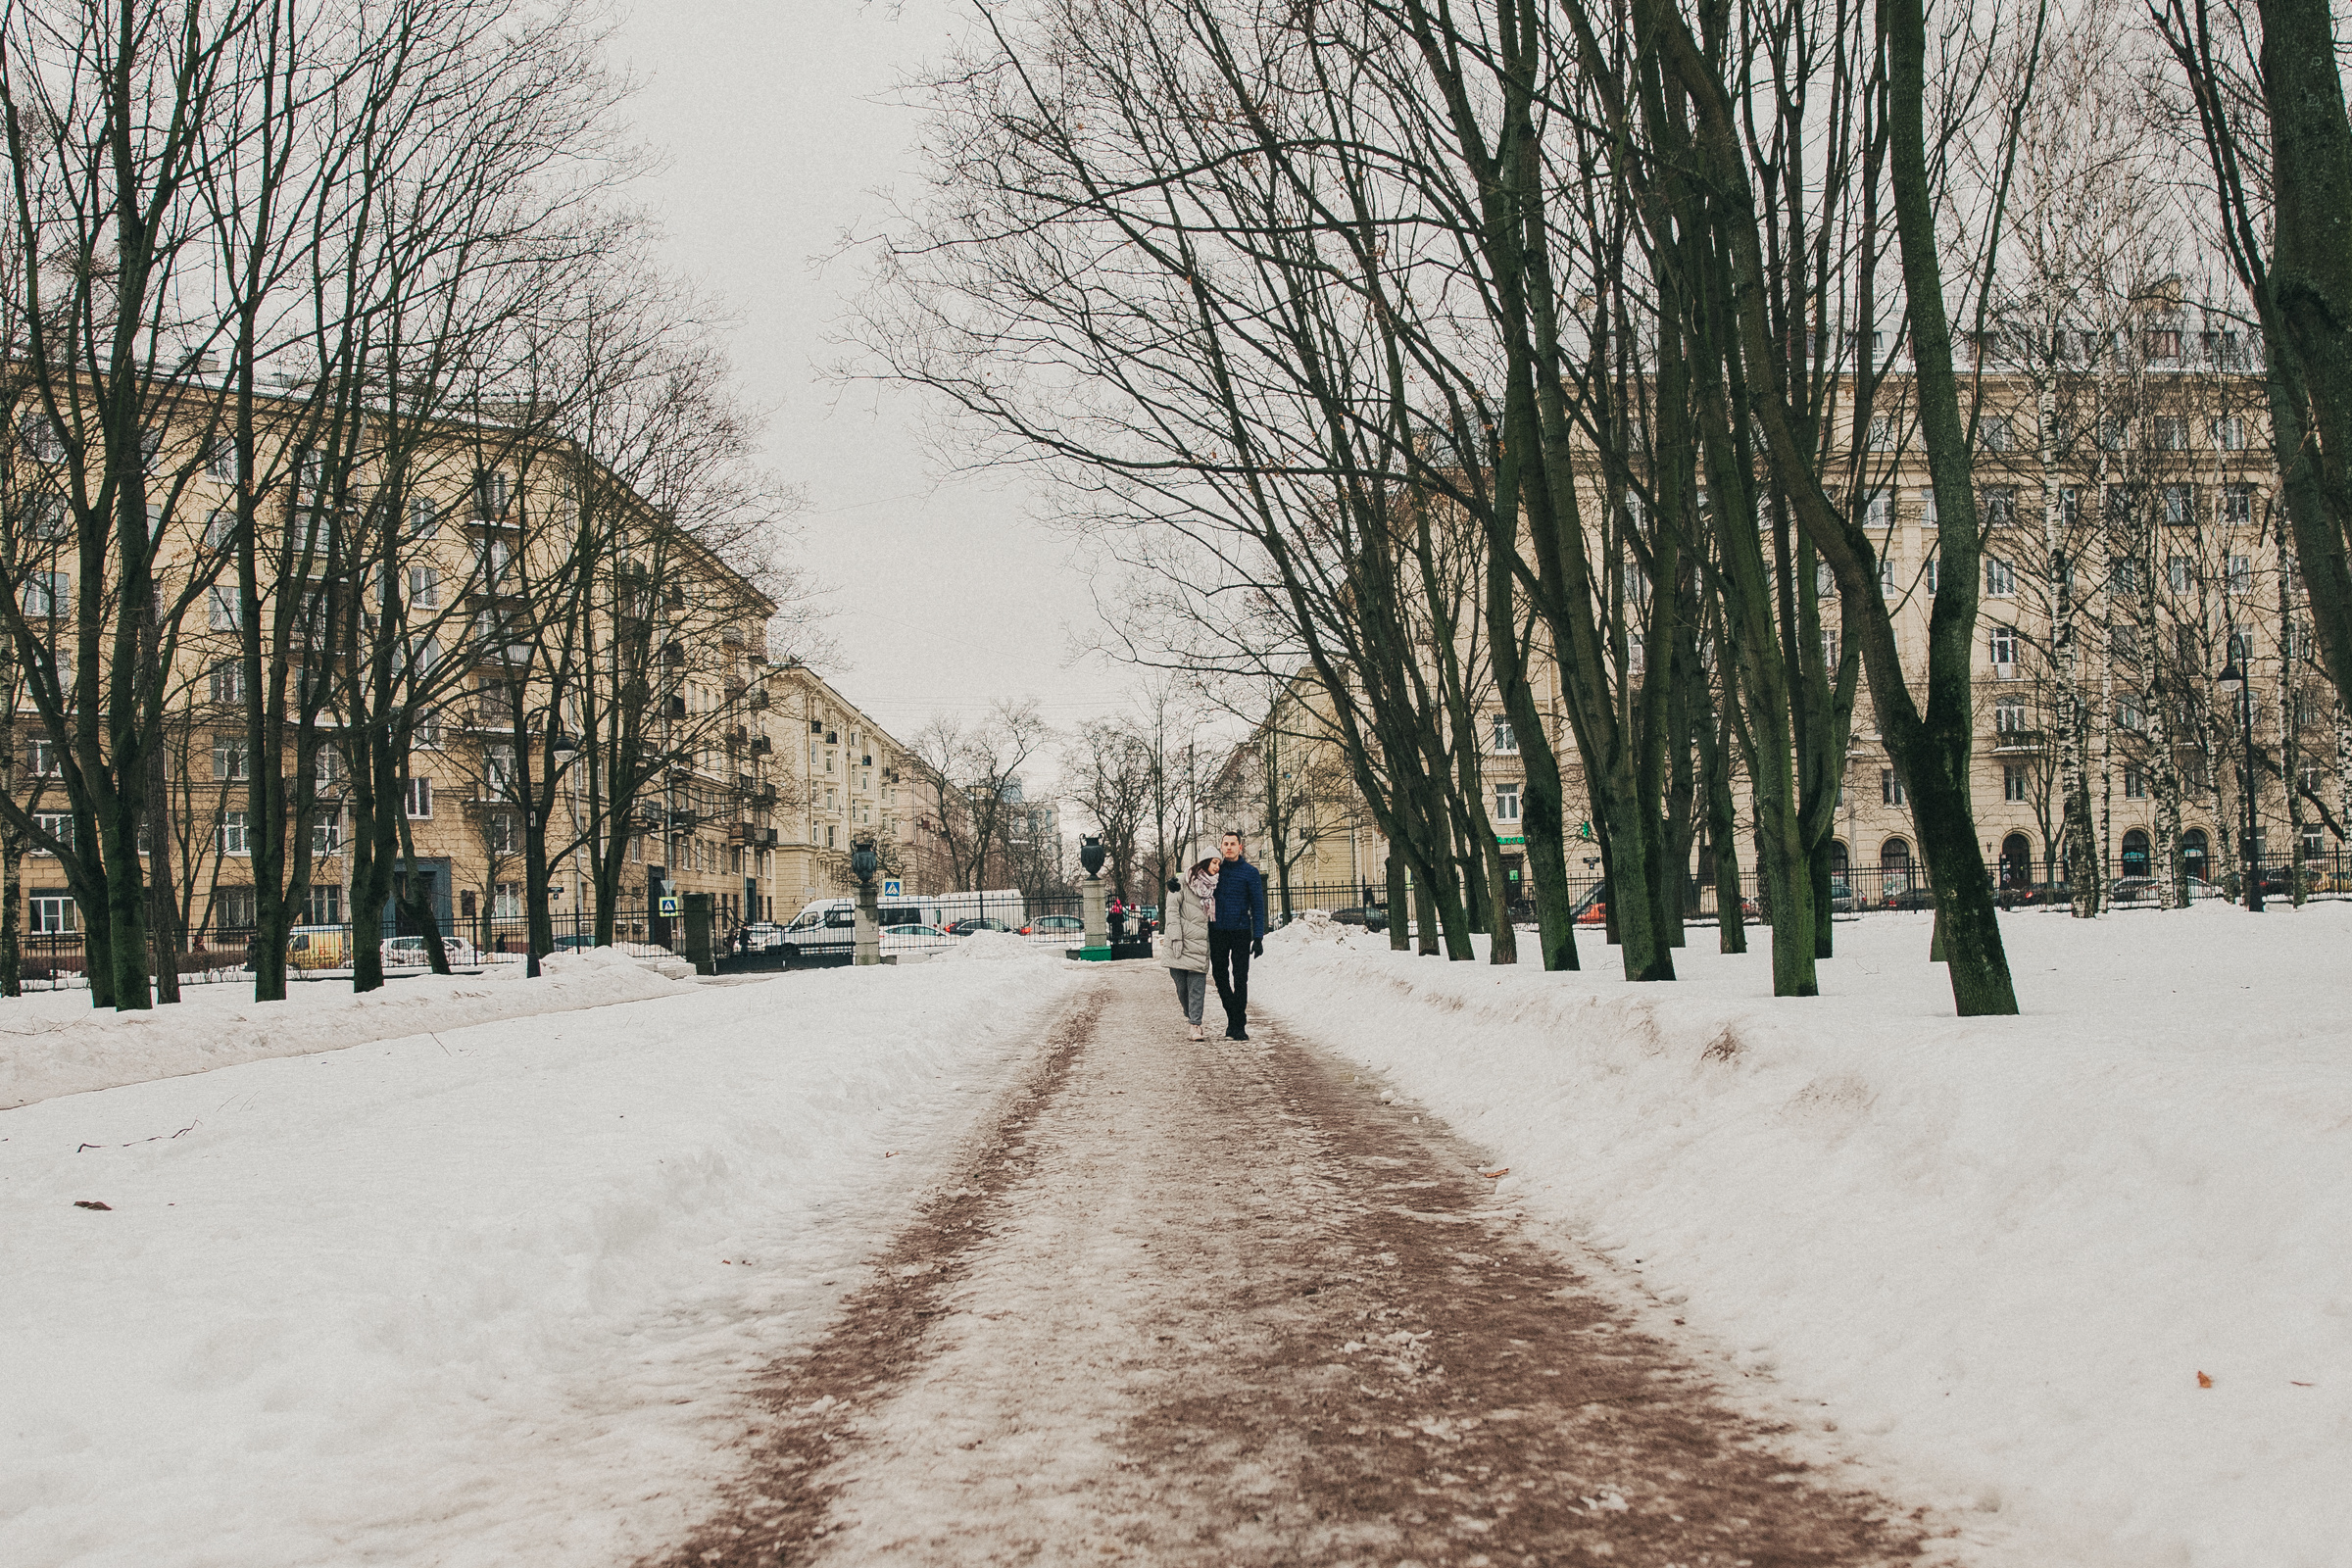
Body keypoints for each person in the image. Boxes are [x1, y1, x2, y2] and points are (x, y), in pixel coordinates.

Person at [1207, 829, 1266, 1041]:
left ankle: (1238, 1025)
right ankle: (1234, 1017)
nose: (1229, 847)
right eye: (1226, 844)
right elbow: (1191, 879)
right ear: (1221, 847)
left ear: (1240, 847)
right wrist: (1175, 884)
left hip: (1241, 931)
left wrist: (1258, 937)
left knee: (1240, 978)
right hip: (1218, 931)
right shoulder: (1214, 871)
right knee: (1220, 976)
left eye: (1233, 844)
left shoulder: (1250, 873)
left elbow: (1258, 906)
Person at [1161, 850, 1218, 1041]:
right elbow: (1172, 911)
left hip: (1200, 944)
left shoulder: (1217, 885)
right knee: (1181, 986)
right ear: (1204, 862)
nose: (1217, 867)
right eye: (1214, 862)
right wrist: (1176, 937)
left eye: (1219, 864)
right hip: (1180, 942)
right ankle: (1190, 1014)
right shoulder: (1181, 882)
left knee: (1196, 987)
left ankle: (1195, 1025)